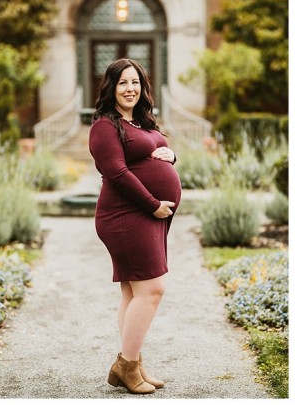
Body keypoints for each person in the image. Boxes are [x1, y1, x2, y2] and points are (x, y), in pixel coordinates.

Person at [88, 58, 180, 395]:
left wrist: (171, 156)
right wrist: (154, 204)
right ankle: (126, 366)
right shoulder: (104, 126)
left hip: (144, 216)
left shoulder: (141, 122)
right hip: (125, 216)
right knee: (152, 289)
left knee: (133, 291)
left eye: (136, 83)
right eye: (123, 83)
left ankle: (133, 362)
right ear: (110, 87)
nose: (130, 89)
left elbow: (161, 151)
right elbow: (117, 173)